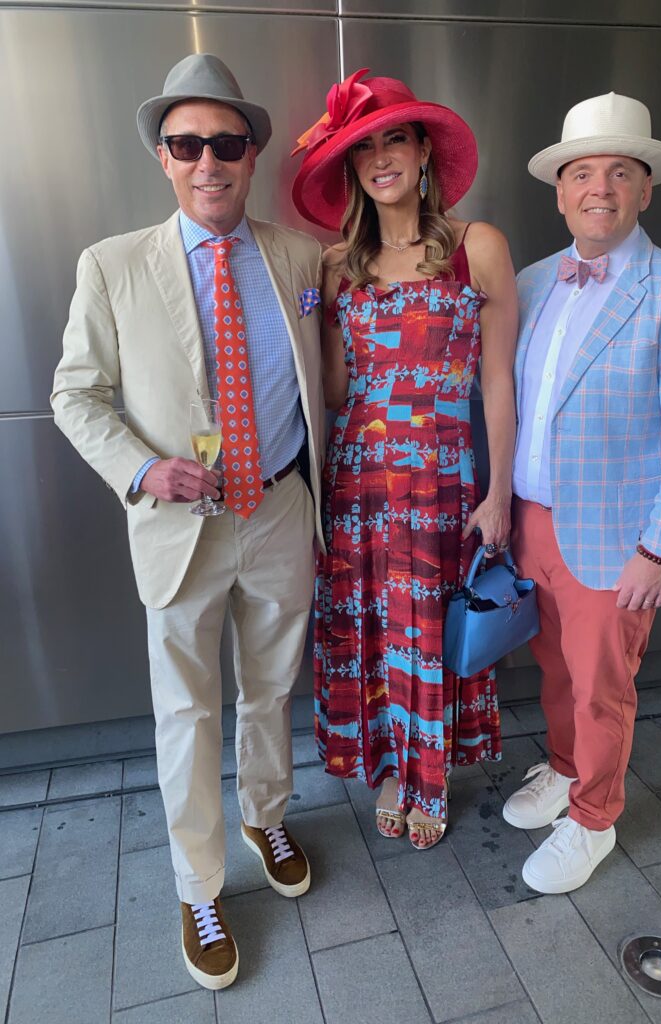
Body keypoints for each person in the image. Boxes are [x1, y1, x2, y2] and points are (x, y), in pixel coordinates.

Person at [51, 53, 326, 989]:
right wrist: (140, 468)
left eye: (226, 143)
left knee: (272, 689)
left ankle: (265, 812)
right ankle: (198, 882)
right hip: (181, 528)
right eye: (186, 144)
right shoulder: (113, 265)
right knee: (185, 711)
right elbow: (76, 396)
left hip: (282, 506)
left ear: (252, 154)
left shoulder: (298, 256)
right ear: (162, 159)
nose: (209, 161)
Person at [502, 92, 661, 892]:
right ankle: (566, 770)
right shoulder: (532, 283)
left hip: (619, 540)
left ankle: (595, 817)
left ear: (645, 188)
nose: (598, 187)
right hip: (534, 524)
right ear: (559, 190)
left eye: (619, 172)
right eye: (581, 173)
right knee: (556, 670)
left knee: (603, 687)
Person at [291, 69, 518, 850]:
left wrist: (500, 494)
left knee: (427, 630)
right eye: (365, 148)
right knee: (374, 632)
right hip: (358, 483)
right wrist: (304, 317)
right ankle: (389, 766)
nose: (382, 157)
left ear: (423, 151)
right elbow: (332, 390)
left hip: (443, 482)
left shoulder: (475, 248)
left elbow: (498, 379)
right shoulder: (334, 267)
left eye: (396, 138)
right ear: (350, 168)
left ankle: (432, 776)